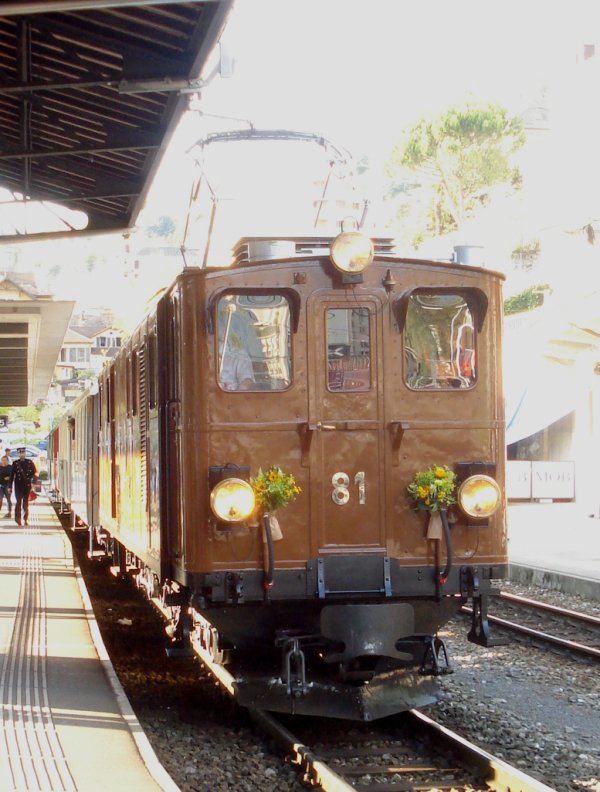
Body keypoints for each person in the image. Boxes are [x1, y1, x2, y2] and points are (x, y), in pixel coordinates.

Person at [10, 447, 37, 527]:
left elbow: (34, 474)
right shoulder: (15, 463)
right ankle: (18, 519)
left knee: (25, 503)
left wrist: (33, 484)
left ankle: (25, 519)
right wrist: (10, 486)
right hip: (18, 485)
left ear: (25, 453)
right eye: (20, 453)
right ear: (18, 454)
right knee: (18, 502)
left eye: (23, 453)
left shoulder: (30, 462)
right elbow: (12, 475)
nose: (22, 454)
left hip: (27, 485)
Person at [0, 448, 12, 518]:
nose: (4, 462)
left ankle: (9, 512)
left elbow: (13, 475)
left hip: (7, 484)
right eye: (2, 460)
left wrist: (9, 477)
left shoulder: (10, 467)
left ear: (7, 461)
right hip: (0, 484)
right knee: (0, 498)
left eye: (5, 461)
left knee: (8, 499)